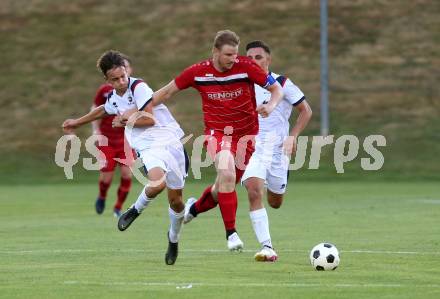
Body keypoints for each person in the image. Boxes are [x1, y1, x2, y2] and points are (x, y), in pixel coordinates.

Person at [151, 30, 284, 251]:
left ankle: (193, 209)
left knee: (221, 187)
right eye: (228, 55)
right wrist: (135, 109)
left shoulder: (246, 67)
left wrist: (270, 105)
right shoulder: (198, 72)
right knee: (227, 174)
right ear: (215, 51)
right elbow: (165, 93)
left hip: (247, 137)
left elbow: (276, 89)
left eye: (235, 54)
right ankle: (231, 234)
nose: (233, 59)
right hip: (218, 134)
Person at [62, 50, 188, 265]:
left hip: (171, 142)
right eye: (115, 79)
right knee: (157, 184)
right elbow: (104, 109)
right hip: (149, 147)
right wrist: (77, 122)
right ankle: (135, 209)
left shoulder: (139, 87)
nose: (121, 81)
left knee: (176, 203)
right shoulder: (113, 97)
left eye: (123, 76)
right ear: (107, 80)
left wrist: (124, 122)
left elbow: (149, 120)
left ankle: (173, 238)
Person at [242, 40, 312, 261]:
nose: (253, 62)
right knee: (254, 190)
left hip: (278, 151)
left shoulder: (282, 83)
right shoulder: (240, 84)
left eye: (258, 57)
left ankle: (281, 181)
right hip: (253, 149)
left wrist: (293, 137)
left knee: (275, 202)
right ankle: (267, 247)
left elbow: (306, 111)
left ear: (268, 60)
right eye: (249, 58)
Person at [91, 57, 134, 217]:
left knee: (126, 174)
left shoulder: (136, 90)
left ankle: (118, 207)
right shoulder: (105, 91)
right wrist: (96, 131)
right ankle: (102, 196)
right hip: (107, 140)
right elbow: (96, 108)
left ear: (129, 70)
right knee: (107, 177)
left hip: (126, 141)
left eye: (125, 68)